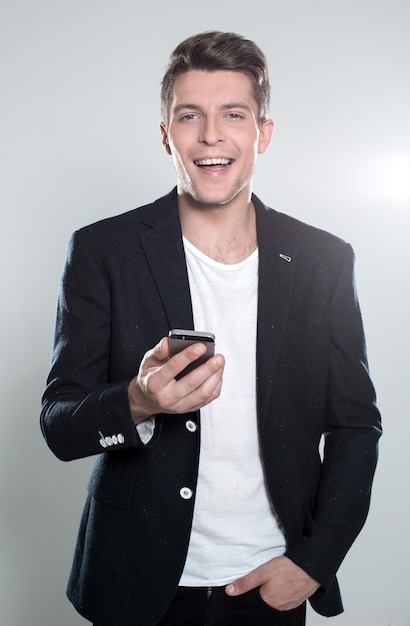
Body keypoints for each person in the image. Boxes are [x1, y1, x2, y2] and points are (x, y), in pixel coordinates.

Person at [40, 31, 382, 626]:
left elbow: (356, 424)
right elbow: (59, 425)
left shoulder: (325, 259)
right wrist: (138, 402)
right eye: (190, 116)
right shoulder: (102, 250)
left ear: (262, 133)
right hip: (135, 581)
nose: (212, 135)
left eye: (233, 114)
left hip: (269, 581)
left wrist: (316, 558)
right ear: (166, 134)